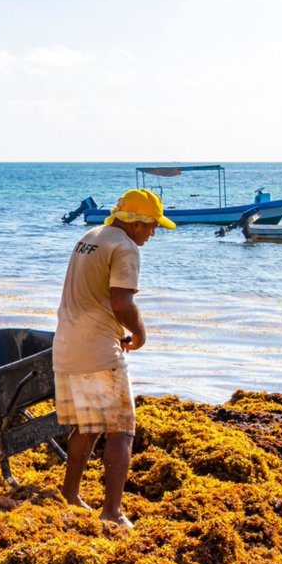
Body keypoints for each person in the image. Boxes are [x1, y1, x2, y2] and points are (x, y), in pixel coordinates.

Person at [52, 188, 174, 528]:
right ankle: (113, 512)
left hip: (66, 345)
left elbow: (92, 296)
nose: (153, 233)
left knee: (88, 427)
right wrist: (140, 333)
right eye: (153, 227)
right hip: (99, 350)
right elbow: (122, 304)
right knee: (121, 430)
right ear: (137, 223)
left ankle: (71, 494)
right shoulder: (125, 247)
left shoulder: (91, 236)